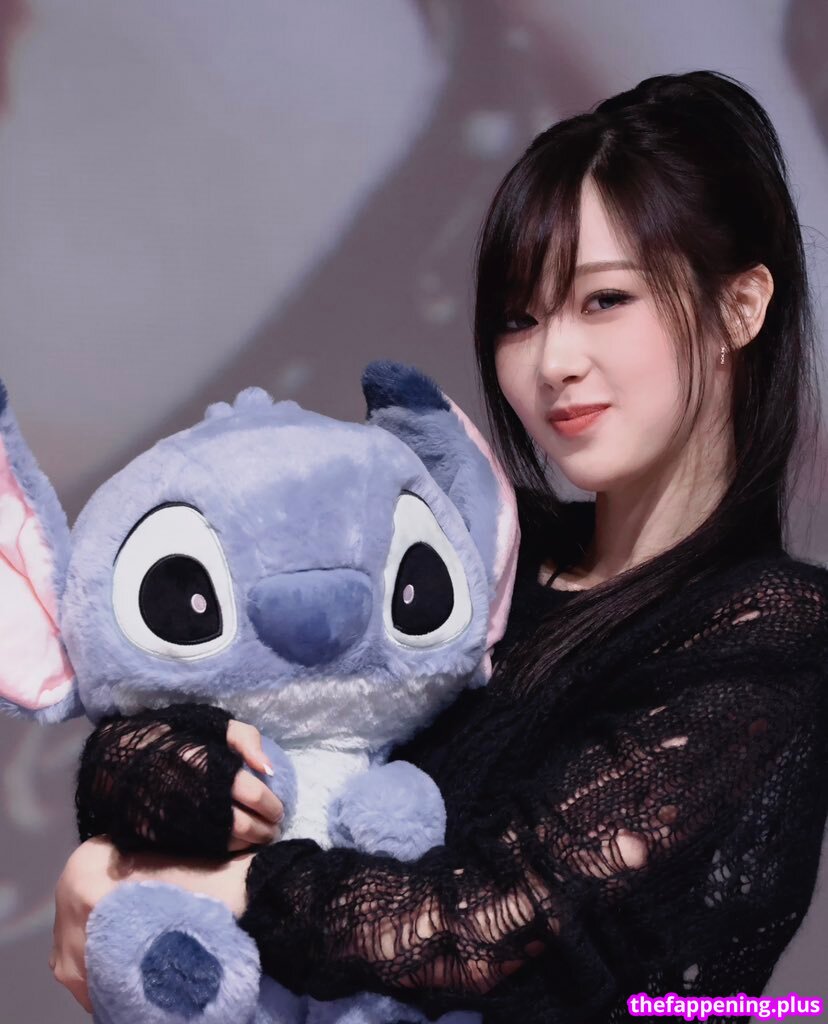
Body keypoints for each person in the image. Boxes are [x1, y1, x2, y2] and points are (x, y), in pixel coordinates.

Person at [51, 69, 828, 1023]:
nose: (553, 361)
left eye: (605, 299)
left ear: (740, 307)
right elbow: (211, 710)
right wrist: (138, 816)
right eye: (520, 318)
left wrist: (221, 887)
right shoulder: (469, 555)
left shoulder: (769, 629)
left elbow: (486, 929)